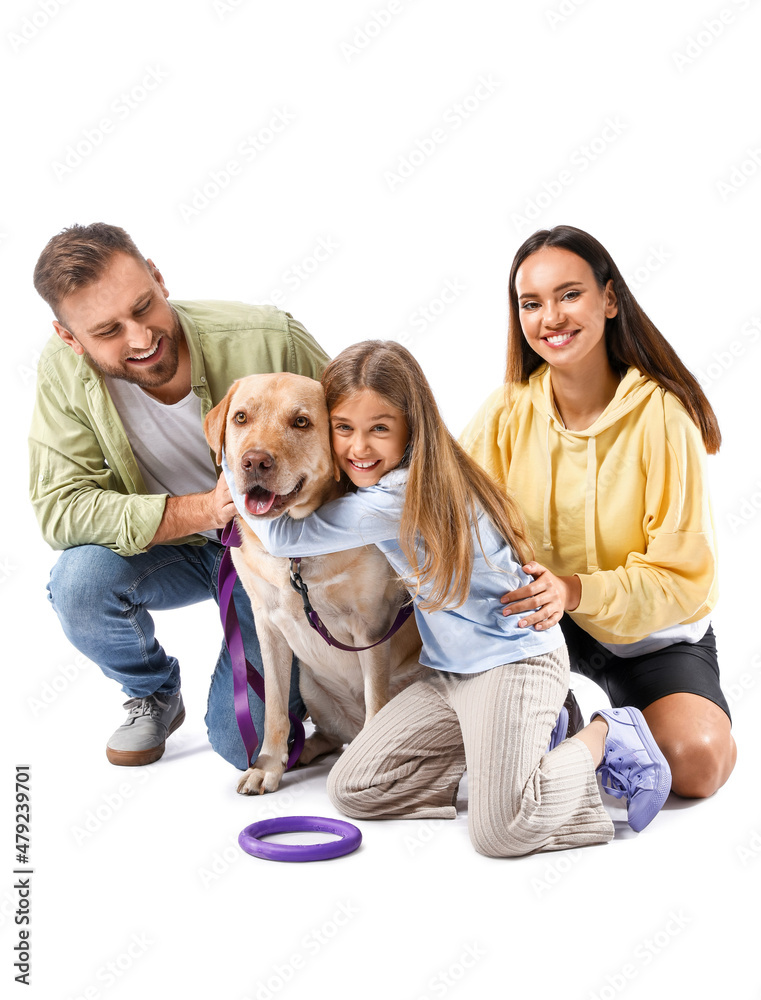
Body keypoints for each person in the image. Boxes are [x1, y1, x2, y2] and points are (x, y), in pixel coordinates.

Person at [222, 339, 672, 857]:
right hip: (447, 672)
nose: (359, 448)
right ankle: (521, 757)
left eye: (380, 429)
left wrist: (233, 467)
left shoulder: (399, 494)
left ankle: (604, 735)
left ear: (413, 428)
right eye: (343, 429)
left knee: (499, 832)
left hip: (512, 664)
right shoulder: (380, 486)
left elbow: (280, 537)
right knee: (351, 787)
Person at [29, 222, 329, 770]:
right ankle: (154, 691)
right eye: (108, 331)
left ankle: (325, 678)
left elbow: (365, 443)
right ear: (70, 338)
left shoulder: (268, 337)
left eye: (144, 307)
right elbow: (60, 509)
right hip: (180, 546)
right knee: (79, 583)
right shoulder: (63, 372)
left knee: (243, 746)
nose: (141, 338)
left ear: (159, 279)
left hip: (281, 554)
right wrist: (201, 510)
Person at [461, 224, 736, 800]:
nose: (551, 318)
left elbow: (681, 578)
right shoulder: (509, 410)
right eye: (532, 303)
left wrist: (574, 589)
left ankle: (605, 726)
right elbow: (449, 505)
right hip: (543, 628)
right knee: (473, 745)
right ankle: (568, 718)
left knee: (698, 764)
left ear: (609, 299)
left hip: (650, 642)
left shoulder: (664, 418)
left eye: (569, 295)